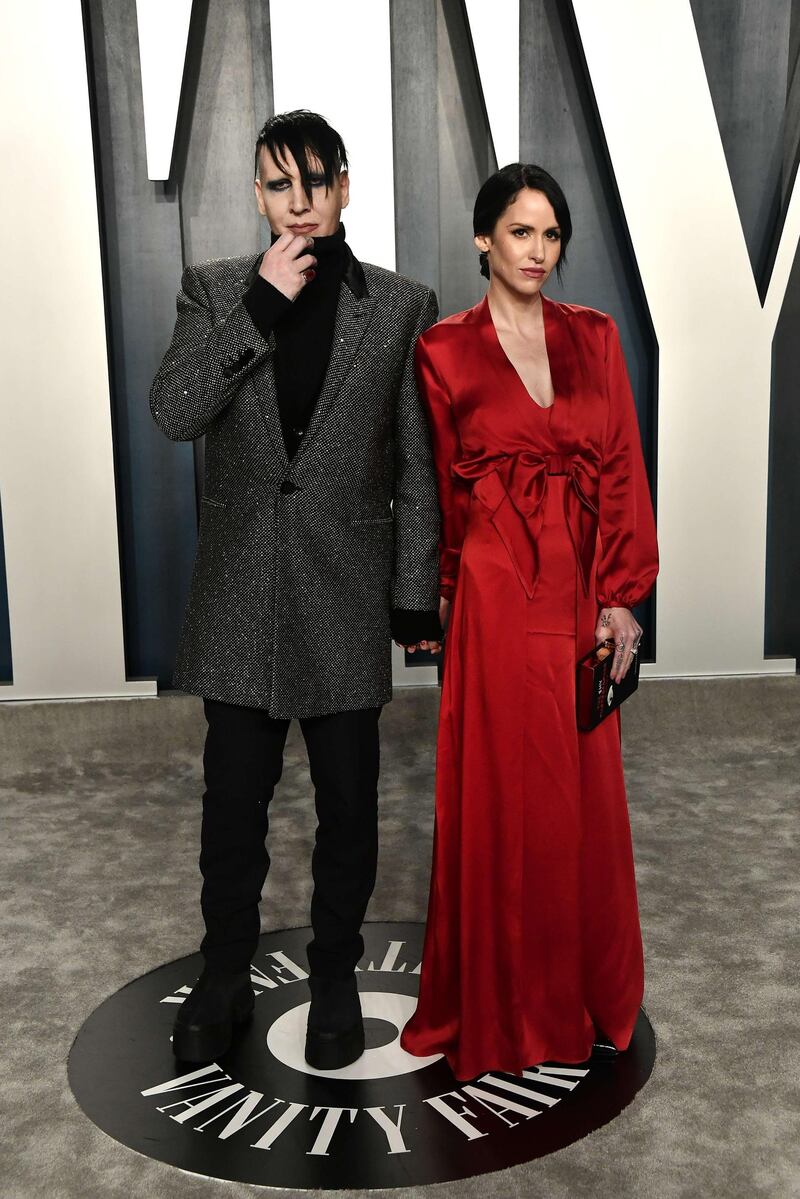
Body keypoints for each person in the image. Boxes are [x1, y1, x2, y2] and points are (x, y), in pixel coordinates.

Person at [150, 110, 442, 1070]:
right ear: (260, 195)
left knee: (349, 806)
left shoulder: (402, 305)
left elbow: (416, 466)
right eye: (281, 184)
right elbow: (175, 412)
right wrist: (260, 310)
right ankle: (225, 973)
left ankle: (334, 976)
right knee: (232, 801)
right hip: (240, 593)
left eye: (318, 181)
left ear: (345, 187)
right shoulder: (215, 291)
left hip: (347, 592)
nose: (302, 200)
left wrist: (412, 598)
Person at [400, 163, 659, 1081]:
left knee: (580, 794)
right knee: (505, 793)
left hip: (582, 587)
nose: (537, 252)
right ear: (483, 239)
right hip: (494, 597)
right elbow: (431, 490)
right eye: (520, 232)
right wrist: (430, 601)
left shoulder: (594, 337)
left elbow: (622, 460)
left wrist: (623, 593)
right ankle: (507, 1009)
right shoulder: (443, 350)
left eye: (551, 235)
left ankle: (579, 994)